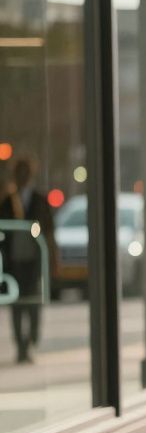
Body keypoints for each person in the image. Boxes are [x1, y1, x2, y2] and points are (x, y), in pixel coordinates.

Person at [0, 156, 57, 364]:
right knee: (17, 305)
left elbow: (49, 231)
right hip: (14, 261)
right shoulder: (7, 202)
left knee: (33, 302)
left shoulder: (39, 200)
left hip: (33, 261)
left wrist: (53, 258)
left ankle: (32, 337)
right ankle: (21, 346)